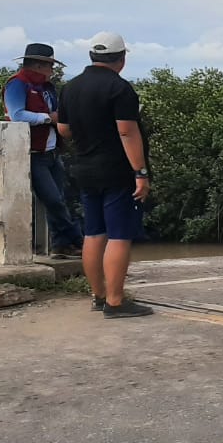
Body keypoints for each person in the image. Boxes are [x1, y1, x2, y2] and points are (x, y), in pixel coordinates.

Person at [56, 32, 153, 318]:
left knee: (94, 233)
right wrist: (140, 172)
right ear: (121, 59)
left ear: (92, 56)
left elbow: (63, 130)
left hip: (84, 169)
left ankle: (98, 295)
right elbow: (127, 131)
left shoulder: (70, 87)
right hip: (117, 172)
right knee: (120, 235)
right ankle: (115, 301)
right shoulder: (119, 88)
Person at [2, 42, 84, 256]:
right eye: (50, 66)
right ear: (39, 66)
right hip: (33, 154)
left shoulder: (46, 88)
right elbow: (17, 115)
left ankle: (62, 244)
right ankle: (77, 239)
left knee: (59, 199)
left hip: (51, 150)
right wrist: (48, 118)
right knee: (53, 200)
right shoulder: (17, 84)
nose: (52, 71)